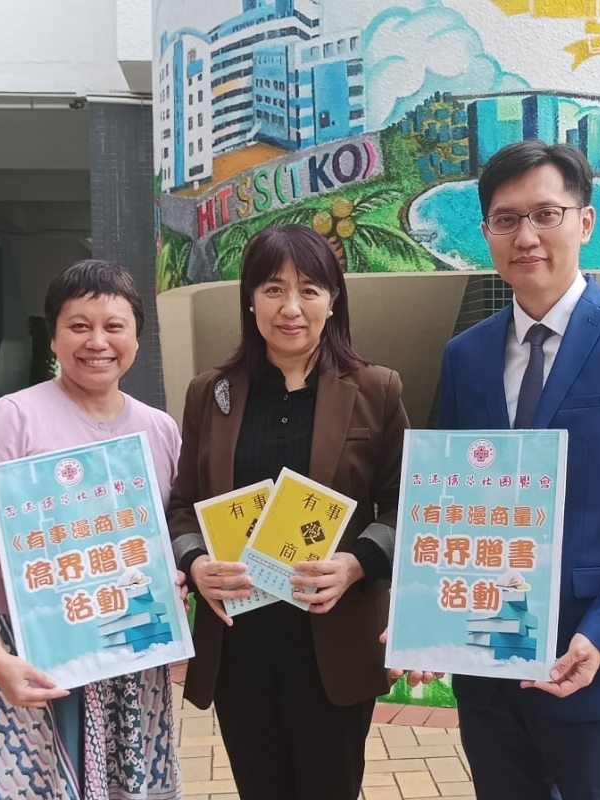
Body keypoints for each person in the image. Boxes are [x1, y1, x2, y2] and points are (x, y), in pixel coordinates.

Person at [421, 140, 600, 799]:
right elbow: (454, 498)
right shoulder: (464, 356)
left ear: (584, 222)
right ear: (486, 233)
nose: (525, 236)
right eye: (505, 219)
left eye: (544, 214)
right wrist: (426, 616)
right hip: (488, 663)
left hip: (598, 661)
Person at [165, 224, 409, 800]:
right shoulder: (211, 392)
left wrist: (355, 562)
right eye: (273, 289)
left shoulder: (375, 388)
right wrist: (196, 564)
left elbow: (408, 507)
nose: (291, 308)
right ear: (250, 300)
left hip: (334, 641)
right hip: (240, 647)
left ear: (333, 300)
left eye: (309, 290)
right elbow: (182, 507)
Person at [0, 260, 184, 800]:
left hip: (132, 660)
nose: (97, 342)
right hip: (32, 657)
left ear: (136, 338)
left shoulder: (159, 429)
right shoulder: (12, 419)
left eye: (114, 326)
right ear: (53, 336)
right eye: (78, 326)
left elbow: (166, 535)